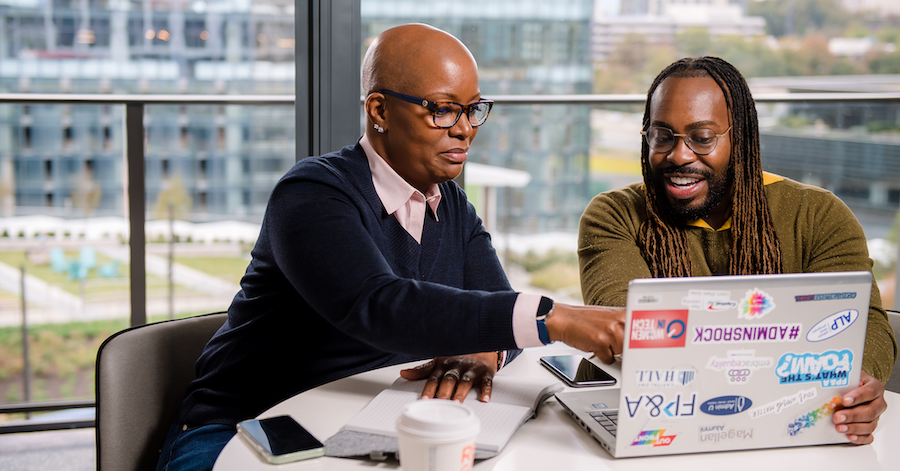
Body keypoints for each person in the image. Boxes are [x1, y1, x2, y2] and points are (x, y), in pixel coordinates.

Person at [155, 23, 624, 471]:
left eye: (473, 109)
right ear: (379, 111)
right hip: (246, 431)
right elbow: (378, 304)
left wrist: (487, 349)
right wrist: (554, 317)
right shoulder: (312, 194)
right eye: (443, 109)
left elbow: (493, 306)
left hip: (367, 426)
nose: (464, 129)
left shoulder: (452, 204)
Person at [578, 56, 898, 446]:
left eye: (702, 137)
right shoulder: (613, 215)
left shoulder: (819, 215)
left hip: (794, 429)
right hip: (664, 431)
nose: (679, 155)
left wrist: (854, 389)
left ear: (740, 137)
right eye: (662, 136)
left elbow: (867, 326)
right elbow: (627, 330)